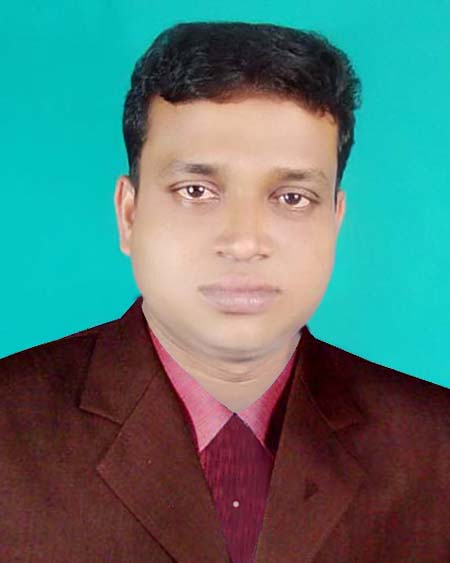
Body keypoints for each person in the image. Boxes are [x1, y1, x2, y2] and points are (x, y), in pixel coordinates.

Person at [0, 21, 449, 563]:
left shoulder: (436, 446)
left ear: (335, 221)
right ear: (129, 214)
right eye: (196, 190)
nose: (243, 242)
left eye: (292, 197)